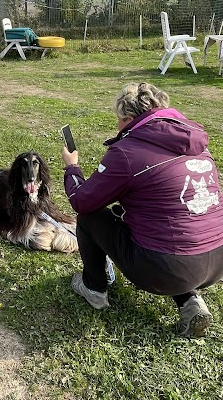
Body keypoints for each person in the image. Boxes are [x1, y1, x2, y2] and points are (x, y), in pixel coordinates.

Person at [61, 82, 223, 338]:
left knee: (92, 217)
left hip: (166, 267)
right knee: (171, 228)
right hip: (217, 259)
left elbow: (83, 201)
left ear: (127, 119)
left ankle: (94, 288)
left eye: (118, 120)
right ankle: (189, 300)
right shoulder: (199, 144)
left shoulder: (128, 152)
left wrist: (72, 168)